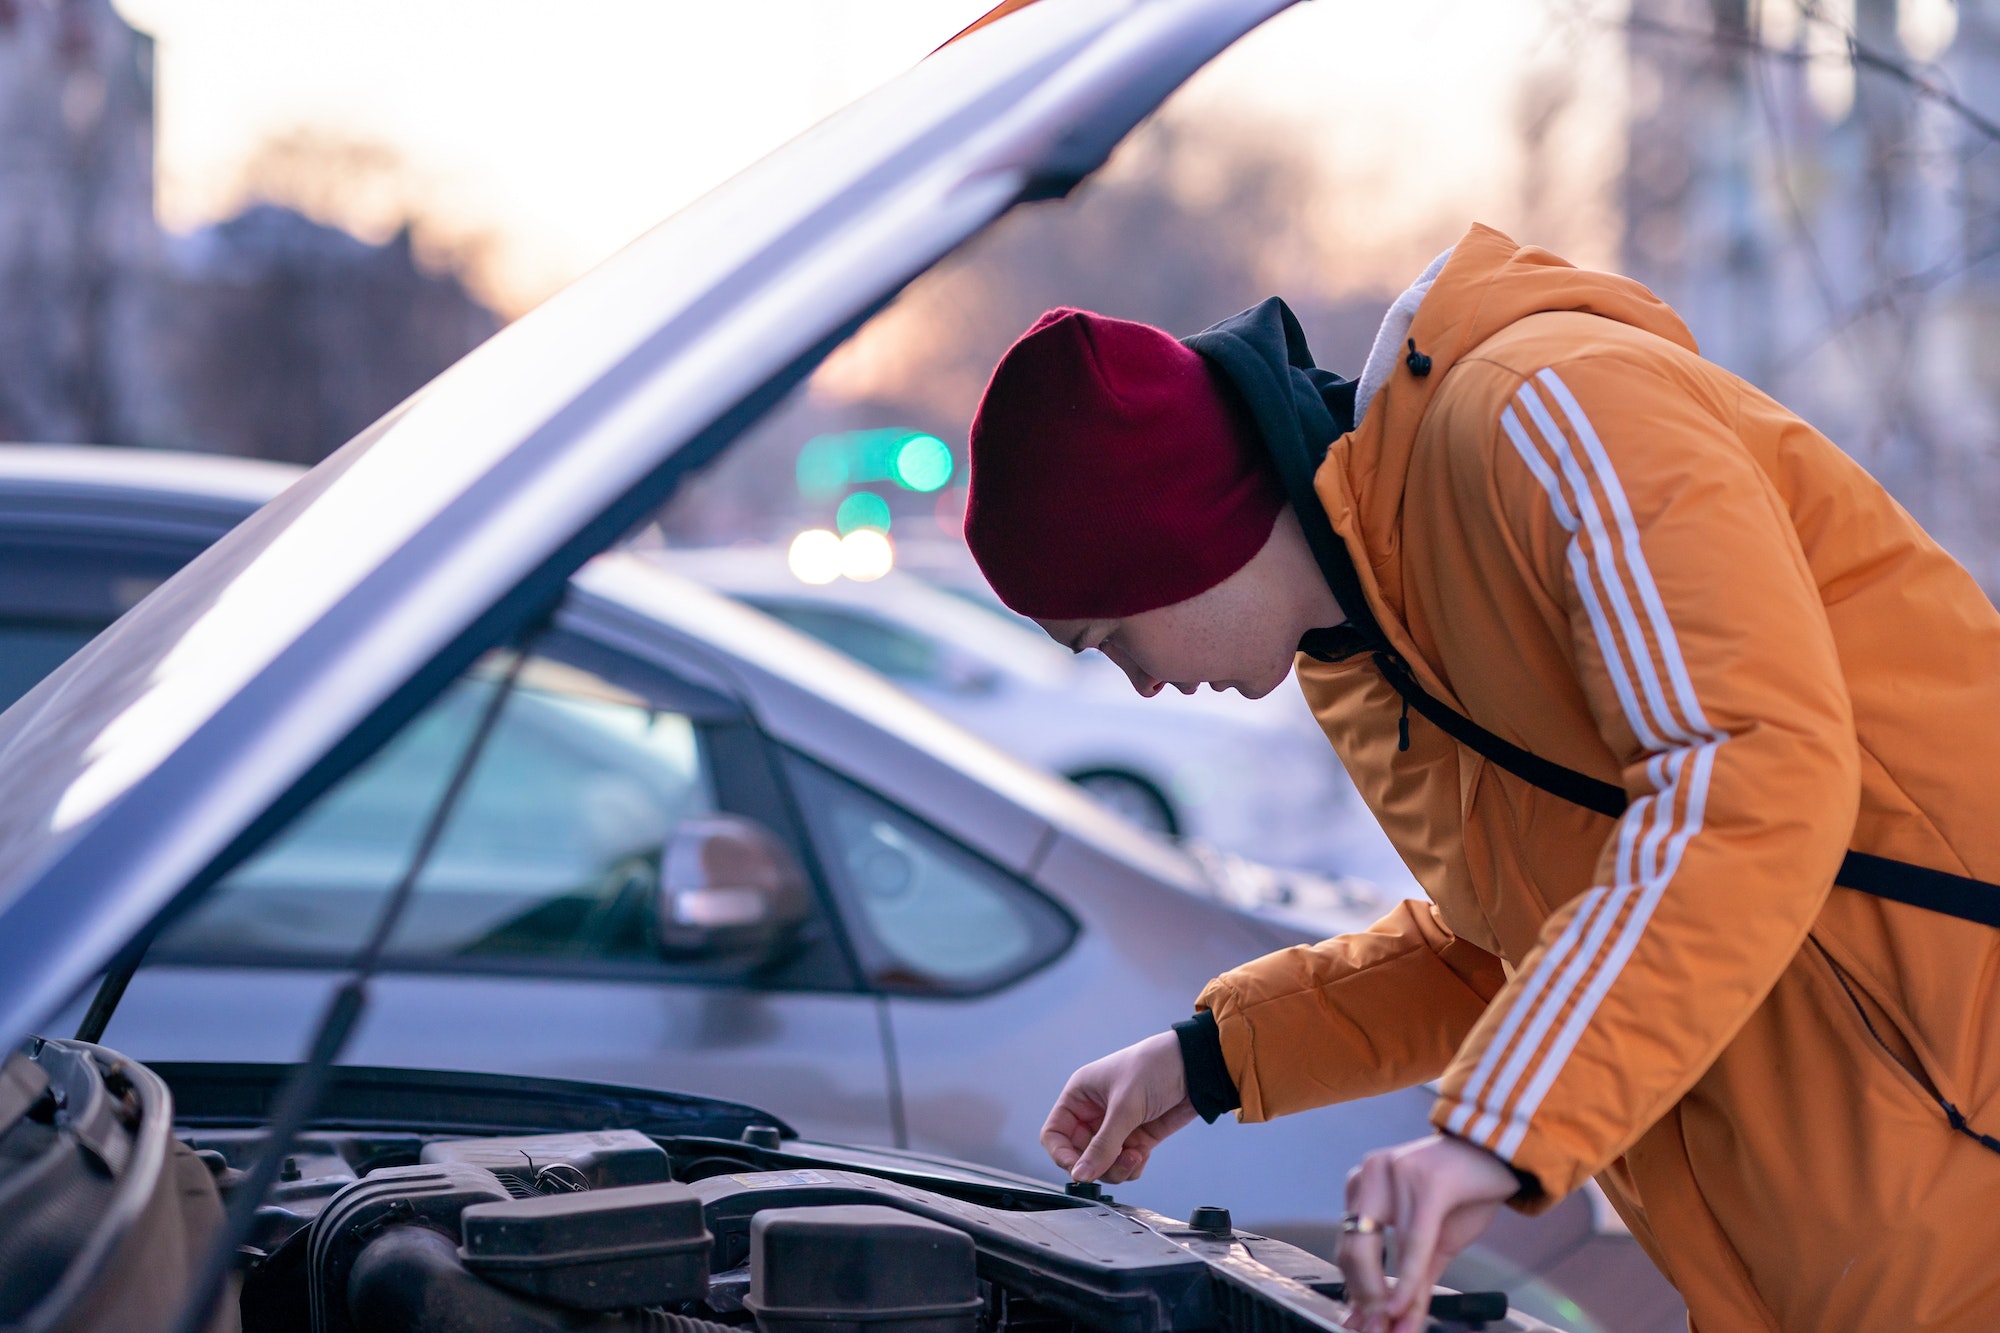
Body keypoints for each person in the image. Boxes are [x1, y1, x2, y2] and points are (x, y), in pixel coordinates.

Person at [960, 224, 2000, 1333]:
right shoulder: (1369, 658)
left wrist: (1495, 1130)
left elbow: (1753, 779)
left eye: (1112, 636)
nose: (1140, 685)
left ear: (1182, 540)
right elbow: (1512, 942)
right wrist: (1208, 1058)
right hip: (1841, 1256)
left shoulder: (1546, 413)